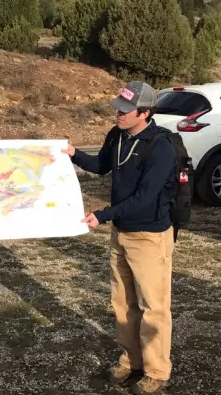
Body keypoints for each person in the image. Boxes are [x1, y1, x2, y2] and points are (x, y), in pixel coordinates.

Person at [64, 80, 178, 395]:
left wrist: (102, 214)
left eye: (126, 110)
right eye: (118, 107)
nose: (119, 113)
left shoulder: (161, 148)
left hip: (150, 236)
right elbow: (101, 166)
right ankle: (131, 361)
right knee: (123, 303)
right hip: (121, 233)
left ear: (145, 112)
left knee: (153, 306)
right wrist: (73, 154)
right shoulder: (117, 136)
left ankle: (156, 371)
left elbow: (144, 198)